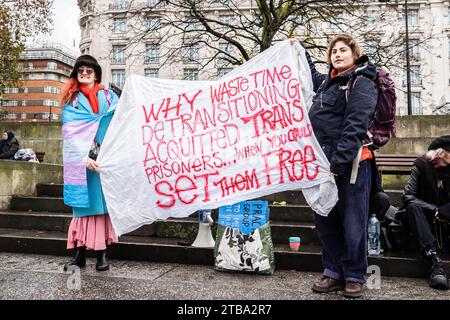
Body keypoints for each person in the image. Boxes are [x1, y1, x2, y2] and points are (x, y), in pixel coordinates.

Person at [299, 33, 379, 298]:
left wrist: (338, 163)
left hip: (350, 167)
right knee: (325, 220)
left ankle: (354, 276)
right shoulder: (327, 84)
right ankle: (333, 271)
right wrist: (298, 48)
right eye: (333, 51)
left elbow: (355, 126)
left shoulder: (362, 83)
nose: (337, 54)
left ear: (354, 54)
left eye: (343, 50)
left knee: (352, 222)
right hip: (322, 166)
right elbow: (308, 73)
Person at [60, 55, 120, 272]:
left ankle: (103, 254)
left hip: (105, 159)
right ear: (76, 74)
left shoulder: (110, 96)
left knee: (102, 208)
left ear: (96, 74)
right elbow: (70, 132)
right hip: (81, 162)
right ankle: (79, 255)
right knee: (82, 208)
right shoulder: (71, 101)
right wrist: (84, 157)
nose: (84, 73)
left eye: (89, 70)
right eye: (80, 70)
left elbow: (120, 120)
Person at [401, 135, 450, 290]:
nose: (439, 156)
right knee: (412, 208)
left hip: (445, 222)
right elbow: (408, 196)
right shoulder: (421, 165)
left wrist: (444, 211)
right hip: (423, 220)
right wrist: (434, 209)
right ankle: (435, 263)